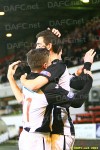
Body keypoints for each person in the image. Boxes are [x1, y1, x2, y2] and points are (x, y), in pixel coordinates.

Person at [20, 30, 96, 150]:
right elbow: (78, 82)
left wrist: (87, 67)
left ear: (49, 46)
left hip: (61, 130)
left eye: (39, 44)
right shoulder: (51, 69)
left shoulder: (57, 67)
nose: (36, 47)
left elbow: (79, 86)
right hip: (50, 130)